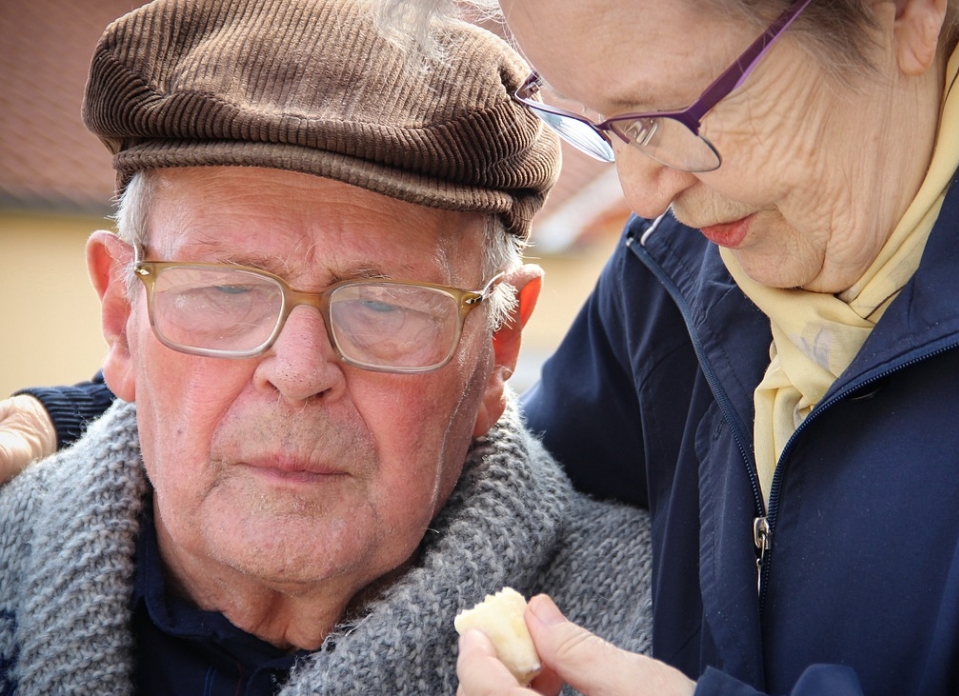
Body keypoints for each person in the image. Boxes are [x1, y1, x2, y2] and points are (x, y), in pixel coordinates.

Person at [7, 0, 959, 694]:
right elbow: (449, 441)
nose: (639, 196)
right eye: (599, 127)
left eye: (675, 109)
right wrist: (78, 424)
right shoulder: (682, 273)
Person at [0, 0, 653, 694]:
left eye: (383, 304)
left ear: (499, 344)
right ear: (122, 312)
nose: (301, 371)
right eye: (227, 291)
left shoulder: (663, 632)